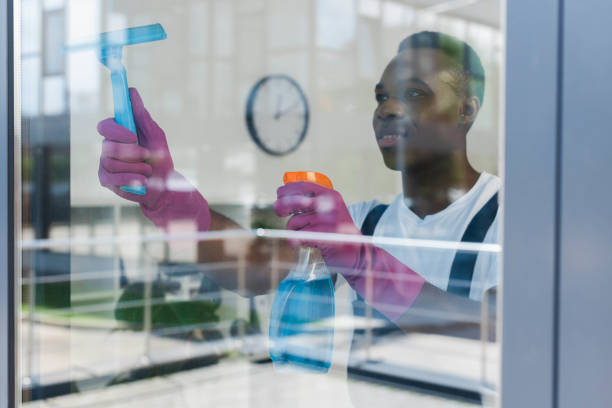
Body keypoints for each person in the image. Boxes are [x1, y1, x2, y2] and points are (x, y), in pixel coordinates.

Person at [97, 31, 499, 337]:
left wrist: (365, 265)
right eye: (381, 97)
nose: (387, 109)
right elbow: (251, 269)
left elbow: (498, 332)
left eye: (413, 94)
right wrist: (169, 200)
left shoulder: (510, 219)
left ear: (465, 111)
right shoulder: (368, 222)